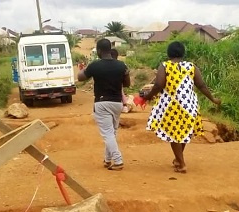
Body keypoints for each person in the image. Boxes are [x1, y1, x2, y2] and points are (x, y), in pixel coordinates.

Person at [140, 41, 221, 173]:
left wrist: (147, 96)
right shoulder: (191, 66)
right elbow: (201, 85)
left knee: (174, 135)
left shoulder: (164, 66)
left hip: (171, 106)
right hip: (190, 106)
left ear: (168, 53)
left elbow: (159, 85)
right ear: (183, 53)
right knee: (183, 133)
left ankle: (182, 163)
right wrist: (213, 99)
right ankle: (178, 159)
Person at [78, 39, 131, 171]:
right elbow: (127, 84)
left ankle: (118, 161)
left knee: (108, 133)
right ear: (110, 48)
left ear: (99, 50)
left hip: (102, 103)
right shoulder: (121, 65)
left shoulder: (95, 65)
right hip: (117, 103)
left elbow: (80, 77)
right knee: (112, 132)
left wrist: (85, 68)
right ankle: (107, 160)